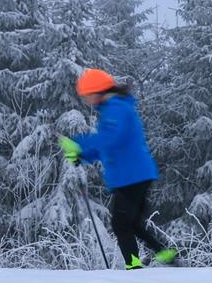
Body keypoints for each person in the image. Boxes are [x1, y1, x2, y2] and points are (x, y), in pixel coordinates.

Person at [58, 68, 177, 270]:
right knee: (133, 224)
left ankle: (133, 266)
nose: (86, 100)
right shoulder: (114, 107)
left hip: (130, 175)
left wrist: (79, 143)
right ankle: (165, 254)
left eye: (86, 95)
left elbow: (112, 138)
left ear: (97, 91)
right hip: (135, 173)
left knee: (121, 224)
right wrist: (83, 155)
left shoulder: (116, 108)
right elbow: (108, 146)